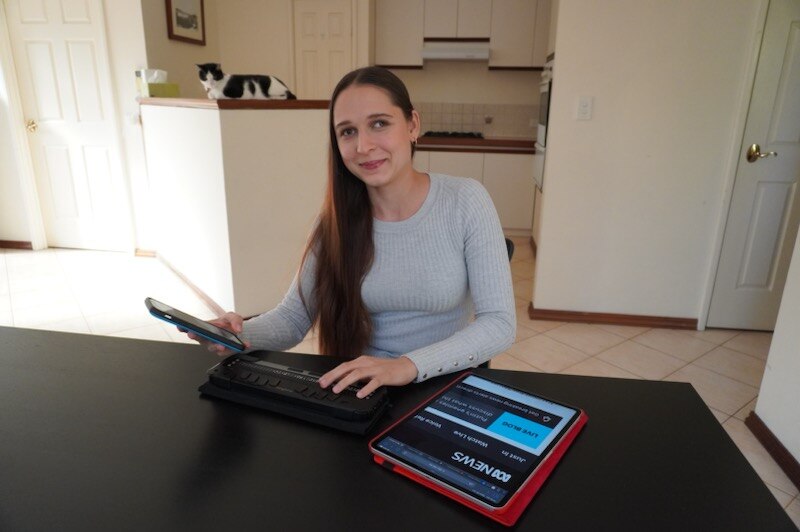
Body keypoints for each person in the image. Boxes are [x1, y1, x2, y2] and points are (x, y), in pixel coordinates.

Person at [187, 66, 515, 399]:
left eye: (379, 124)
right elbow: (292, 319)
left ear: (412, 125)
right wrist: (237, 334)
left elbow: (499, 324)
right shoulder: (335, 222)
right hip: (364, 388)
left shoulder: (465, 200)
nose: (363, 146)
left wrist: (407, 366)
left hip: (443, 384)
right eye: (347, 132)